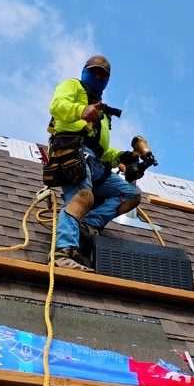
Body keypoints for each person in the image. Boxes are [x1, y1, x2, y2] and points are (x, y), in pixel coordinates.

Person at [47, 55, 141, 271]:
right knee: (81, 196)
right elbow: (57, 106)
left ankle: (89, 224)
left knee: (130, 195)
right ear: (85, 71)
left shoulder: (103, 112)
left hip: (95, 161)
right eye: (94, 71)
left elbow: (103, 151)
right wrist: (81, 111)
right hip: (72, 151)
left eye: (103, 74)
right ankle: (63, 252)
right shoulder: (72, 85)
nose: (98, 76)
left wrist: (124, 156)